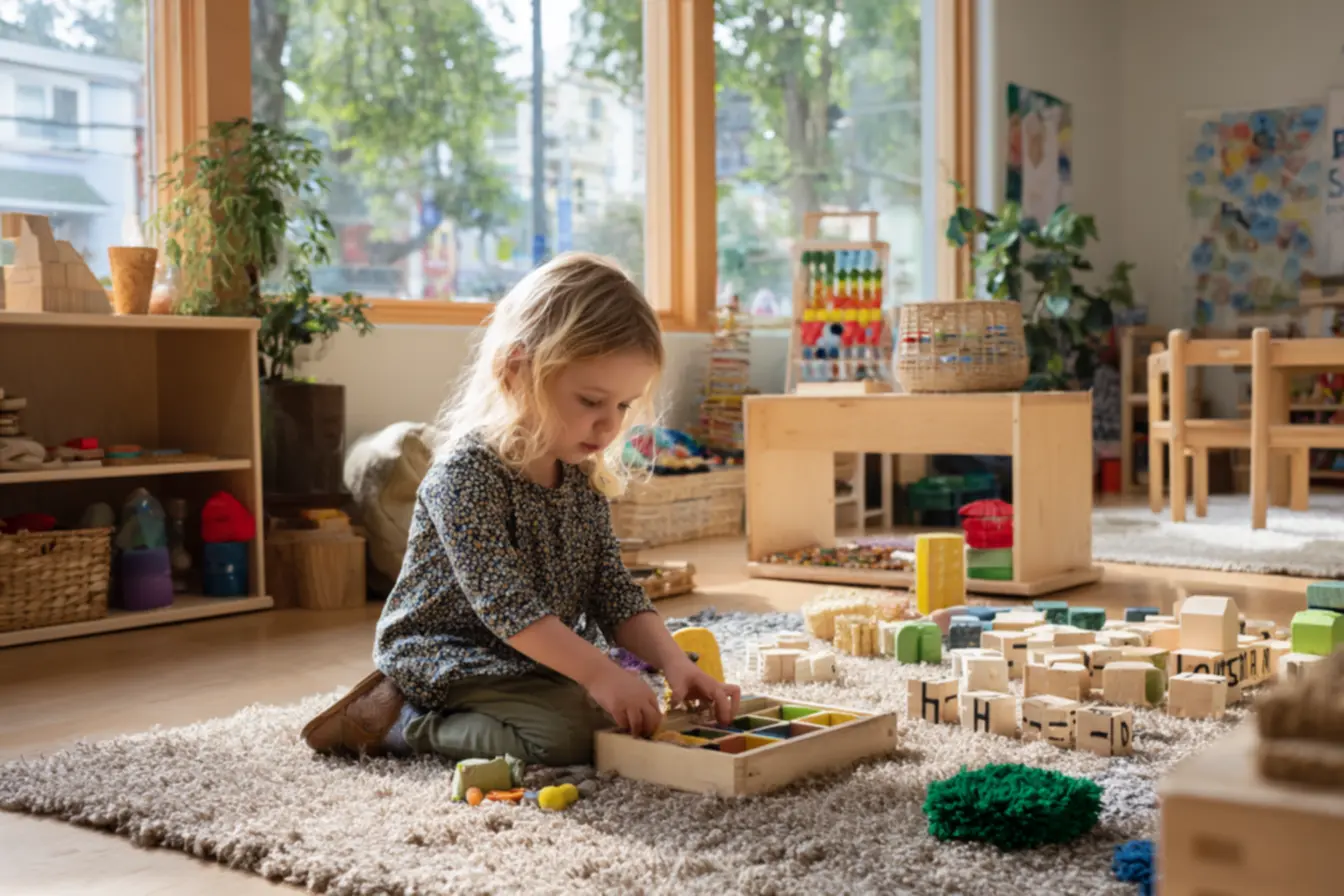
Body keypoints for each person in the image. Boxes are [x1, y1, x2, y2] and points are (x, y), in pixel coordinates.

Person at [301, 252, 741, 766]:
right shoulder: (465, 476)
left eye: (622, 406)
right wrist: (598, 673)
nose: (609, 428)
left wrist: (670, 662)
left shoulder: (580, 475)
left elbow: (610, 588)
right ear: (516, 371)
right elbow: (507, 608)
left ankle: (565, 686)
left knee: (629, 700)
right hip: (449, 654)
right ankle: (398, 721)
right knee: (575, 737)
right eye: (591, 401)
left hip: (527, 654)